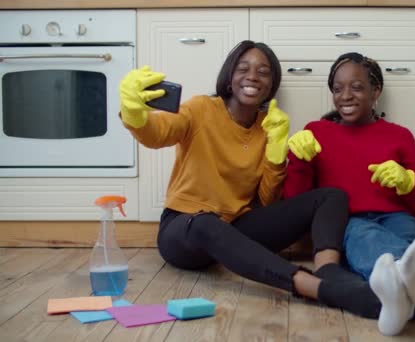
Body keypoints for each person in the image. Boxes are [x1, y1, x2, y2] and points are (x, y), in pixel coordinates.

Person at [117, 40, 390, 321]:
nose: (252, 76)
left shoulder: (267, 125)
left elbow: (267, 201)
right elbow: (159, 133)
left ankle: (328, 271)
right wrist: (135, 115)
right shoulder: (201, 109)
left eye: (263, 71)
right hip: (185, 230)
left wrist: (275, 155)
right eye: (243, 68)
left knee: (332, 195)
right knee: (205, 221)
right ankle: (316, 288)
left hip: (235, 229)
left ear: (272, 84)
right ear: (229, 76)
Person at [284, 52, 415, 335]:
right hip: (348, 222)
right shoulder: (317, 132)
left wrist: (408, 184)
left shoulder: (400, 136)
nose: (346, 95)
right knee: (366, 236)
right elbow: (296, 205)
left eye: (356, 87)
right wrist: (297, 160)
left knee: (409, 241)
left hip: (397, 218)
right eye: (337, 88)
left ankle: (399, 290)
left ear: (375, 91)